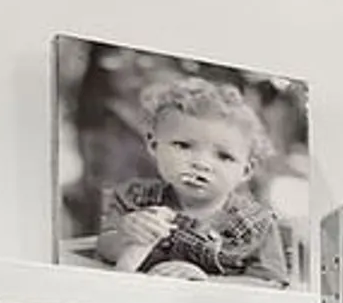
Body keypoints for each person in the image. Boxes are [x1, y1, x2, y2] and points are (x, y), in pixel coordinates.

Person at [99, 71, 293, 284]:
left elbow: (270, 282)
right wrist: (126, 234)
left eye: (224, 156)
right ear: (154, 145)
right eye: (183, 145)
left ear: (246, 171)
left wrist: (205, 281)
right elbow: (103, 250)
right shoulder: (134, 198)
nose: (201, 164)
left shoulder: (256, 224)